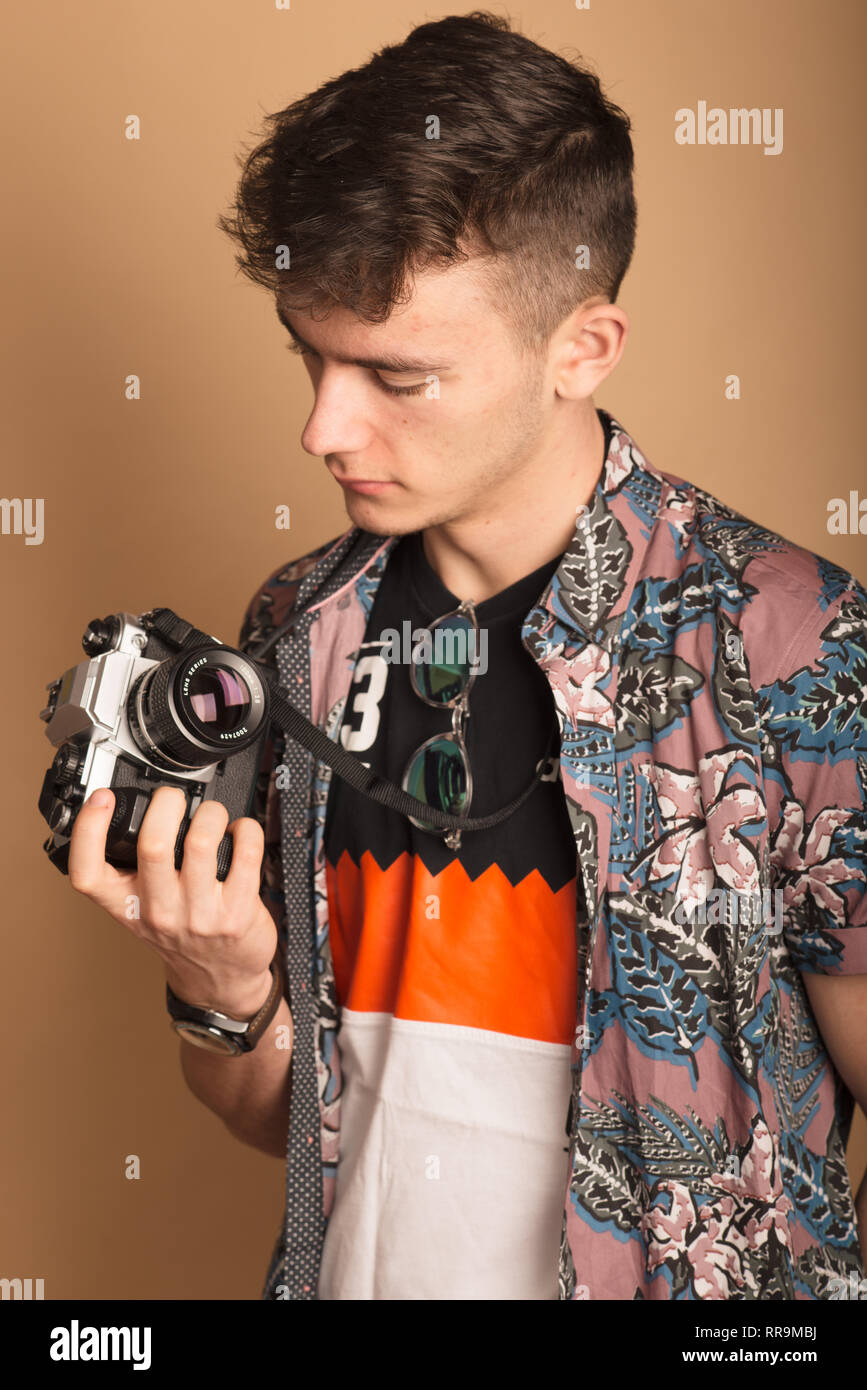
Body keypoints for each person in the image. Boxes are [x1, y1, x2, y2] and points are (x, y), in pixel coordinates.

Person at [69, 12, 867, 1301]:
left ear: (582, 349)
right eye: (309, 355)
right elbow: (286, 1126)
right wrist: (215, 984)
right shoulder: (295, 630)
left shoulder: (792, 646)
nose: (323, 425)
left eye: (395, 375)